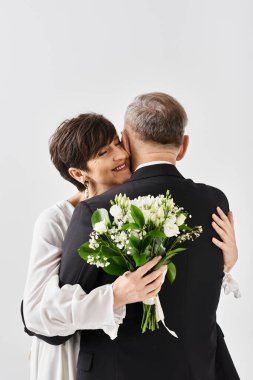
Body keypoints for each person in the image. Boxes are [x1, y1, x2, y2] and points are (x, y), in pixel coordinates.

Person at [29, 93, 240, 380]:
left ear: (126, 141)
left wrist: (225, 265)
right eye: (103, 153)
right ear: (78, 173)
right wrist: (114, 295)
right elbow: (40, 315)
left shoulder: (109, 207)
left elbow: (183, 284)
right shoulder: (67, 218)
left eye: (116, 143)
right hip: (67, 350)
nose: (118, 154)